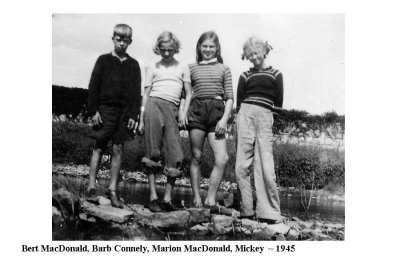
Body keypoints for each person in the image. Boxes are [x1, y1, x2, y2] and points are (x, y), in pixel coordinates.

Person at [86, 24, 142, 208]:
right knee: (99, 148)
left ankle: (112, 191)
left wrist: (134, 115)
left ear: (130, 42)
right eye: (118, 39)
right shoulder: (103, 60)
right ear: (113, 39)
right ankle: (91, 188)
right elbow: (93, 86)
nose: (121, 43)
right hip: (104, 111)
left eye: (125, 40)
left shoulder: (134, 65)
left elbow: (136, 93)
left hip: (124, 114)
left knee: (118, 149)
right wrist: (93, 111)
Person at [138, 31, 192, 212]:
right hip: (153, 106)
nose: (167, 53)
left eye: (170, 50)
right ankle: (153, 196)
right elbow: (145, 94)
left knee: (175, 154)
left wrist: (183, 111)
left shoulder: (183, 66)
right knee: (152, 151)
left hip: (173, 109)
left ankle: (167, 198)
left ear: (175, 48)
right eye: (163, 50)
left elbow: (188, 93)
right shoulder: (152, 66)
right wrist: (141, 117)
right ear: (158, 49)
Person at [235, 37, 284, 224]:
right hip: (245, 114)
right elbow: (240, 102)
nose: (254, 57)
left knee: (265, 164)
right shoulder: (244, 75)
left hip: (265, 116)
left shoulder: (276, 74)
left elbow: (278, 104)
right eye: (250, 54)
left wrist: (267, 120)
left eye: (257, 52)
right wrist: (242, 118)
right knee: (241, 164)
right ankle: (246, 209)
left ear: (264, 52)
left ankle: (269, 212)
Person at [188, 31, 233, 213]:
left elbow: (229, 98)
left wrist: (224, 120)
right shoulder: (191, 68)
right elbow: (186, 95)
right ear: (200, 47)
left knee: (222, 158)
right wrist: (183, 113)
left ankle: (211, 198)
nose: (208, 49)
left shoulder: (224, 69)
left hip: (216, 112)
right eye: (204, 46)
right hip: (197, 110)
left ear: (217, 48)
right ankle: (197, 197)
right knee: (196, 157)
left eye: (211, 46)